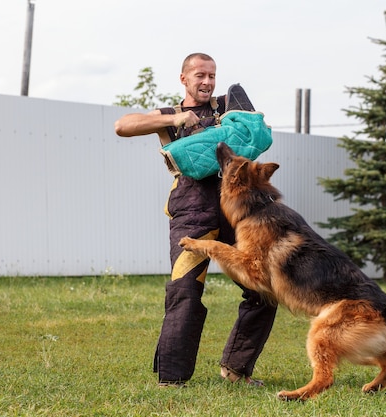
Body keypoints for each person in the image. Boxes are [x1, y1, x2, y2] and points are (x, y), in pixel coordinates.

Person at [114, 53, 276, 387]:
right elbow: (122, 125)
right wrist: (175, 120)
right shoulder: (169, 114)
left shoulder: (227, 107)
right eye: (200, 75)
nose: (207, 82)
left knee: (263, 290)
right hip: (192, 213)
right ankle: (172, 380)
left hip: (237, 215)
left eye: (212, 76)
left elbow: (255, 131)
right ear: (184, 78)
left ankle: (236, 369)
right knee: (185, 291)